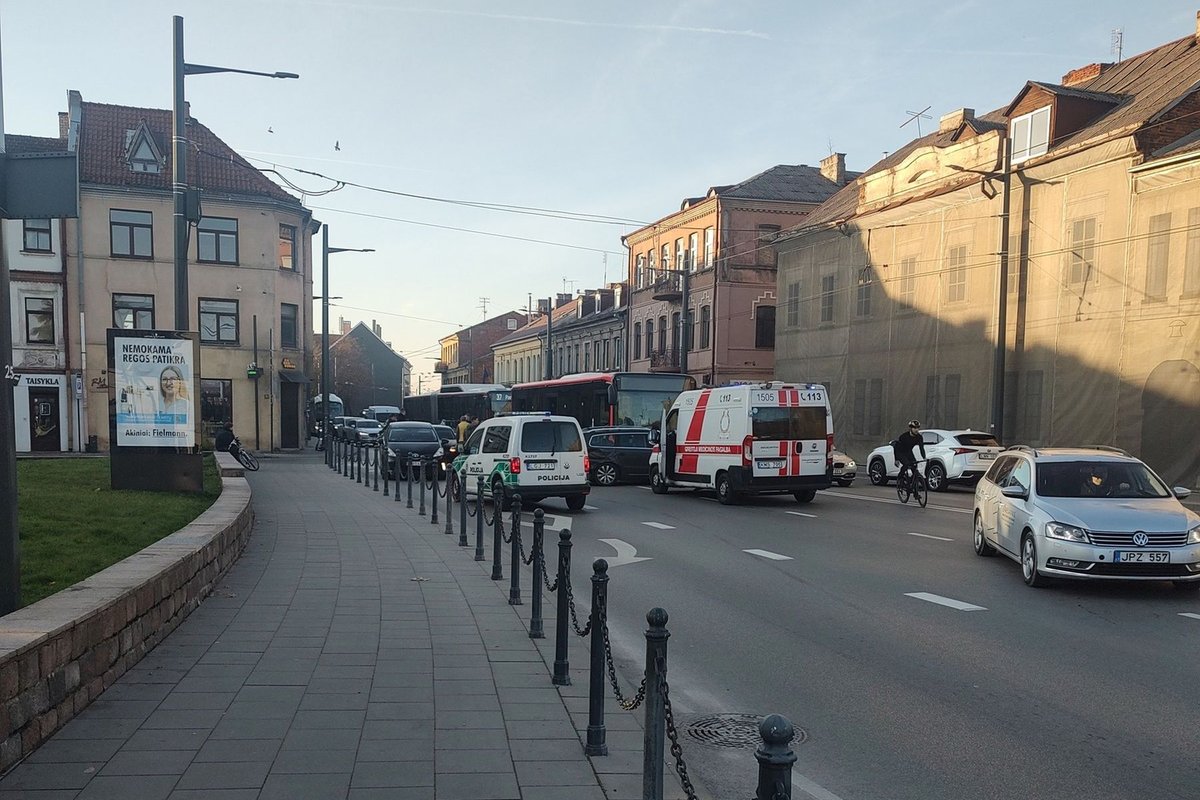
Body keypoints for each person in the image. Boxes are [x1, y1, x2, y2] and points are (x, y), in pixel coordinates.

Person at [891, 420, 927, 488]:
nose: (916, 430)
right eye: (914, 428)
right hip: (900, 452)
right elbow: (896, 447)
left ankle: (912, 483)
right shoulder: (903, 436)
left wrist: (924, 457)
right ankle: (900, 478)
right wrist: (896, 459)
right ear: (910, 428)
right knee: (906, 464)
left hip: (908, 452)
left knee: (914, 465)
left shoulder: (919, 437)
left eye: (917, 428)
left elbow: (921, 448)